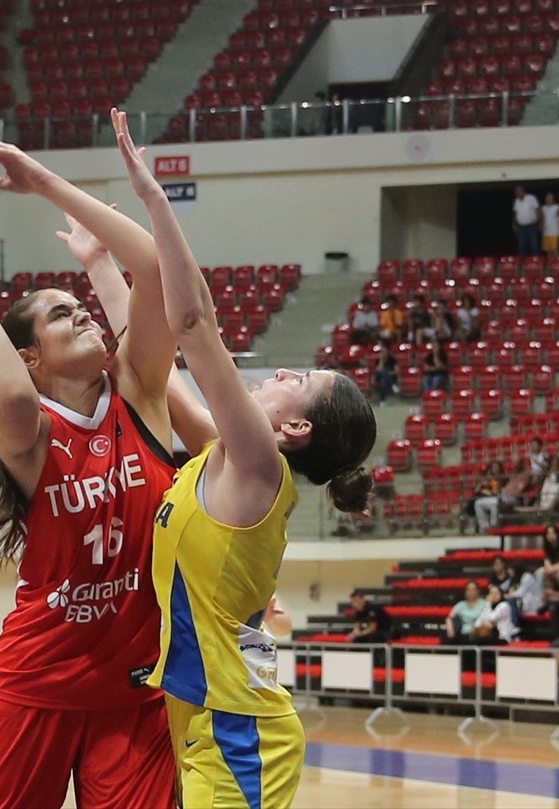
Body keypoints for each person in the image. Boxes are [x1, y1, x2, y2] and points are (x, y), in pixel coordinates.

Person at [0, 129, 180, 809]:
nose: (81, 309)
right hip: (36, 686)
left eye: (79, 304)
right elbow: (11, 391)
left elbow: (158, 269)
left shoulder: (140, 393)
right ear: (31, 356)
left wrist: (43, 181)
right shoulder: (29, 431)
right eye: (58, 313)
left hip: (132, 695)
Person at [112, 108, 377, 809]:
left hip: (240, 729)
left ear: (295, 430)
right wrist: (103, 273)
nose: (282, 373)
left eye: (298, 382)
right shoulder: (219, 460)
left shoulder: (259, 464)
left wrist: (154, 197)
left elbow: (191, 323)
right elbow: (149, 371)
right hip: (201, 711)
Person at [511, 185, 540, 256]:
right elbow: (515, 213)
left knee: (534, 246)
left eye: (519, 191)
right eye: (516, 192)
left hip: (532, 226)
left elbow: (537, 210)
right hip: (521, 227)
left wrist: (540, 222)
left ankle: (536, 261)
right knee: (521, 246)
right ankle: (521, 264)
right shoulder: (516, 201)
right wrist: (514, 224)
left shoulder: (531, 198)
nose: (517, 193)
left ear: (523, 191)